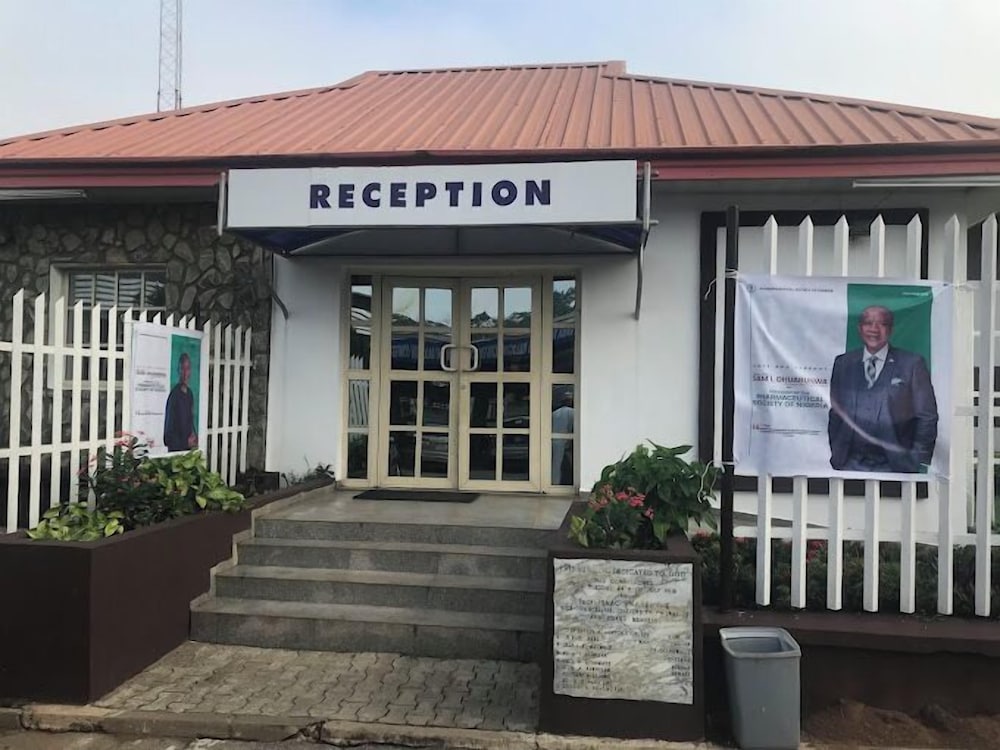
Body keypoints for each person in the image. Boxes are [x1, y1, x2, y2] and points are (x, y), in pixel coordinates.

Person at [828, 304, 937, 473]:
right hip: (849, 463)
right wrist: (837, 451)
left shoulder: (912, 364)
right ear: (859, 328)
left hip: (896, 466)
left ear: (891, 330)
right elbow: (836, 412)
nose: (874, 329)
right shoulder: (843, 363)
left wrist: (916, 459)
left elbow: (926, 416)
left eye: (882, 324)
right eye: (868, 323)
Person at [163, 352, 198, 452]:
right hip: (176, 454)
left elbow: (189, 424)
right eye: (183, 368)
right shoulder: (174, 396)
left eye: (188, 368)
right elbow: (167, 437)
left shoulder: (190, 394)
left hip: (188, 453)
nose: (185, 373)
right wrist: (185, 442)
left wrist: (194, 438)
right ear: (178, 371)